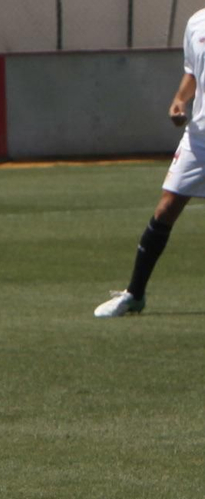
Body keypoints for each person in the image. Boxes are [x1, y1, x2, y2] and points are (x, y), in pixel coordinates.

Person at [95, 8, 205, 317]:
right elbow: (192, 74)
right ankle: (135, 294)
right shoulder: (196, 22)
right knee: (166, 208)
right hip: (199, 138)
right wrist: (179, 101)